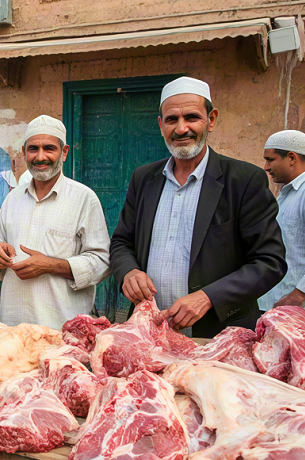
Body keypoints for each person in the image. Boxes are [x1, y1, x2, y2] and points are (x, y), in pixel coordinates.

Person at [110, 76, 286, 337]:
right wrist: (129, 272)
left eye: (192, 117)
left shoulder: (243, 180)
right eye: (172, 120)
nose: (181, 129)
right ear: (161, 125)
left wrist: (208, 297)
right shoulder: (144, 178)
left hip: (219, 336)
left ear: (211, 119)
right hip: (151, 331)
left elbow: (269, 261)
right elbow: (122, 241)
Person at [0, 116, 110, 329]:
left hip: (62, 329)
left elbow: (102, 262)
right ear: (24, 151)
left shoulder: (84, 198)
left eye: (49, 148)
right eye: (33, 149)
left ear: (64, 152)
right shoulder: (13, 198)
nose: (40, 157)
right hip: (12, 326)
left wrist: (51, 265)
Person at [259, 130, 305, 309]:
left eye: (270, 159)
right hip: (278, 305)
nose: (266, 167)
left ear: (292, 158)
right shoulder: (287, 193)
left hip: (295, 311)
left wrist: (298, 294)